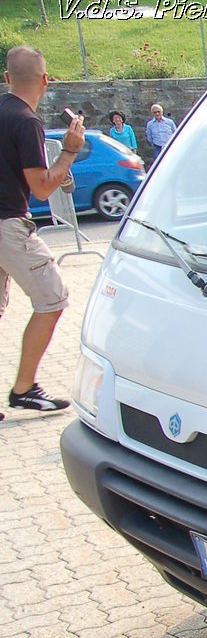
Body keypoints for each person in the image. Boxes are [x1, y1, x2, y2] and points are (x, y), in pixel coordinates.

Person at [0, 46, 80, 421]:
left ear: (6, 78)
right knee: (53, 298)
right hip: (9, 226)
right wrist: (69, 151)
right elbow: (43, 188)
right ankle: (24, 389)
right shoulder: (25, 122)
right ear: (46, 80)